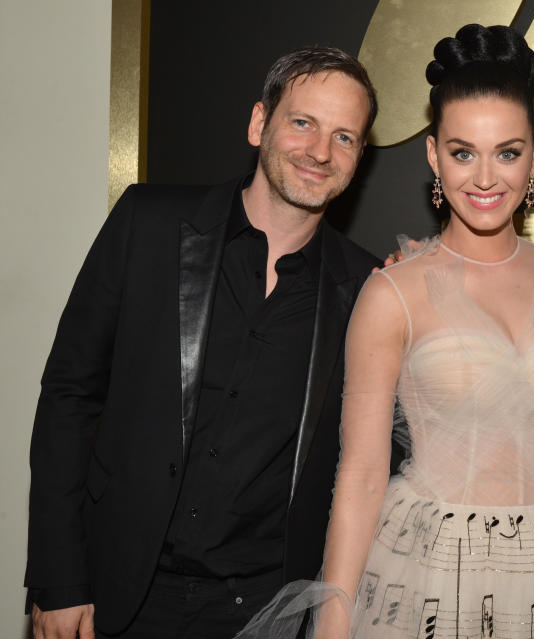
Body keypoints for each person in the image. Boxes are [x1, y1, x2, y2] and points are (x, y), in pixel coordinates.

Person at [237, 24, 534, 639]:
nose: (485, 178)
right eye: (462, 152)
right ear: (433, 155)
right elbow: (363, 473)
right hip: (428, 575)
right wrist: (333, 623)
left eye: (506, 152)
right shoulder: (393, 291)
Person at [25, 46, 381, 639]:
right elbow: (69, 395)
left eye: (344, 138)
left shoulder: (370, 290)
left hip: (265, 611)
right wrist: (60, 577)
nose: (320, 152)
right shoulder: (148, 223)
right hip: (116, 596)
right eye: (303, 123)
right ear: (258, 123)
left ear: (359, 158)